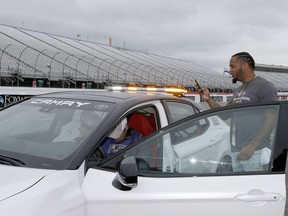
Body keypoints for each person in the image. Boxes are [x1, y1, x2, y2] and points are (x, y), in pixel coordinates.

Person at [196, 51, 278, 171]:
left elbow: (272, 119)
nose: (230, 70)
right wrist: (208, 99)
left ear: (245, 66)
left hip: (255, 153)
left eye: (232, 66)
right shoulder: (238, 90)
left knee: (254, 189)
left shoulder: (264, 86)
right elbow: (225, 114)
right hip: (237, 152)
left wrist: (252, 146)